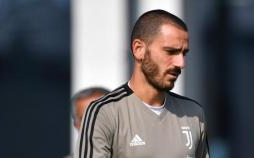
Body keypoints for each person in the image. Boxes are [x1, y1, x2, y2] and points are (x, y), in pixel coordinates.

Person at [75, 9, 210, 158]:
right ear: (139, 49)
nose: (181, 63)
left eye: (184, 53)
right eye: (170, 51)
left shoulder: (193, 114)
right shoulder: (104, 112)